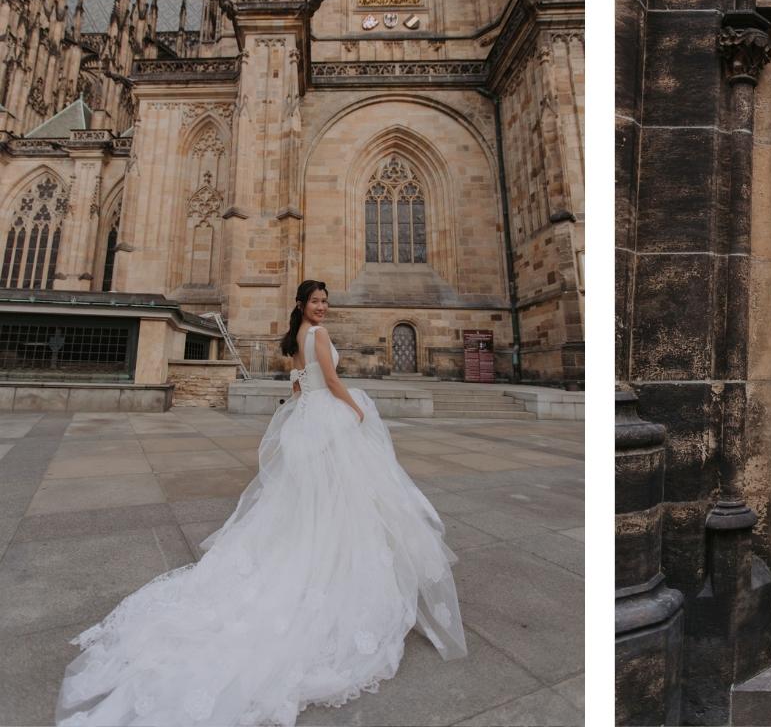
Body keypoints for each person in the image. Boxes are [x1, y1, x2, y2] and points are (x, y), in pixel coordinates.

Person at [56, 280, 466, 726]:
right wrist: (358, 410)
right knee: (340, 496)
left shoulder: (293, 341)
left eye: (326, 302)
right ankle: (330, 565)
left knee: (308, 500)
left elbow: (297, 388)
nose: (323, 308)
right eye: (317, 302)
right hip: (327, 418)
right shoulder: (319, 336)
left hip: (306, 424)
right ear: (303, 305)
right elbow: (330, 380)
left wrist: (314, 407)